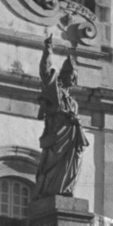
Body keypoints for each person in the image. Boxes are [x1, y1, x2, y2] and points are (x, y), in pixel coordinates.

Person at [34, 36, 87, 200]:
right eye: (72, 75)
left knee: (74, 162)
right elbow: (45, 71)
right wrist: (48, 50)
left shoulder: (73, 102)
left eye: (75, 76)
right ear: (65, 75)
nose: (74, 80)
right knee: (52, 168)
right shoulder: (55, 91)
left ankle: (66, 189)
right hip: (57, 140)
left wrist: (76, 122)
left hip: (71, 140)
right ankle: (52, 192)